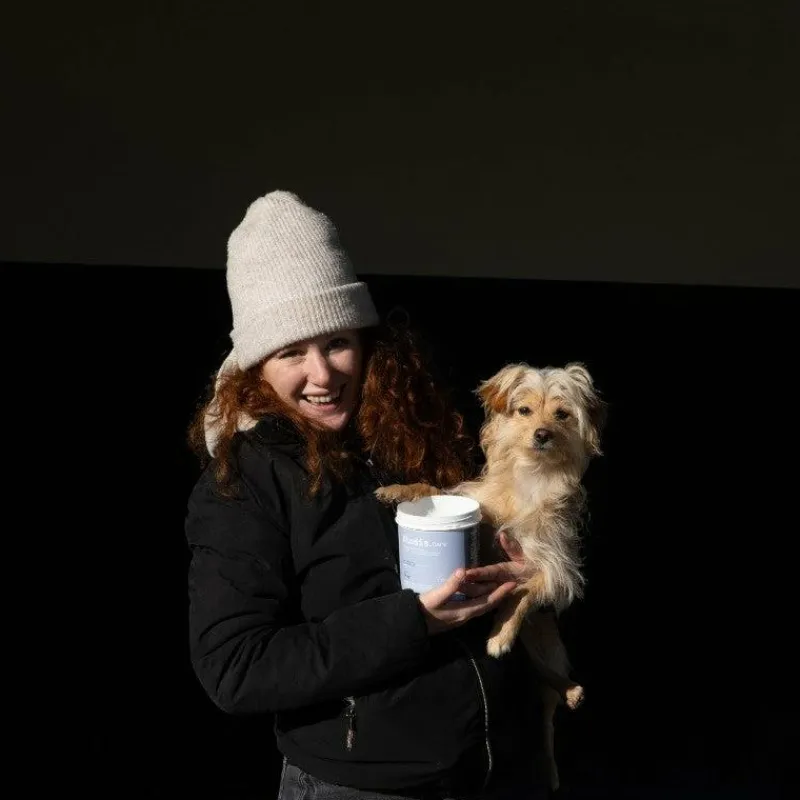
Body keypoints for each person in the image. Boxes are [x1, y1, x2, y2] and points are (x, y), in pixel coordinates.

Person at [184, 190, 551, 800]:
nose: (322, 374)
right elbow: (235, 667)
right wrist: (413, 622)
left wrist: (527, 569)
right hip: (363, 787)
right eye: (291, 352)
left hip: (494, 771)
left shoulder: (415, 432)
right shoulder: (244, 481)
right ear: (255, 366)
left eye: (336, 342)